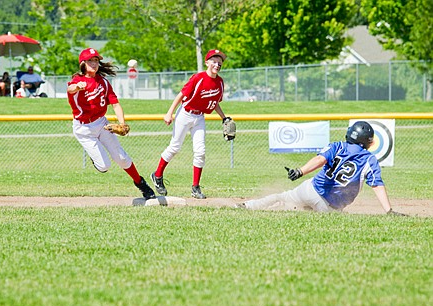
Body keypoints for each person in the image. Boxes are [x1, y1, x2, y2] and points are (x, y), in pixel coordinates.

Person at [238, 121, 405, 215]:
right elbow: (377, 185)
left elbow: (320, 159)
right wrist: (389, 210)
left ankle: (249, 206)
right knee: (320, 213)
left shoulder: (338, 146)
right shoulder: (369, 159)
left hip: (310, 189)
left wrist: (300, 171)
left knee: (282, 197)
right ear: (368, 142)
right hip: (329, 207)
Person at [67, 48, 155, 200]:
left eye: (96, 60)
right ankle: (96, 159)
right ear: (83, 63)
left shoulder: (104, 83)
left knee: (122, 158)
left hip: (102, 124)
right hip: (83, 129)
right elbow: (70, 88)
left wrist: (122, 123)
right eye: (90, 61)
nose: (94, 64)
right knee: (104, 166)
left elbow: (115, 104)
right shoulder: (77, 81)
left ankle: (140, 183)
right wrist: (77, 87)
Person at [150, 49, 232, 199]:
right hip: (185, 114)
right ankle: (157, 175)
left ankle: (195, 187)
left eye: (220, 62)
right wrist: (169, 113)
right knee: (175, 147)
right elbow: (181, 94)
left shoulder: (219, 82)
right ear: (207, 62)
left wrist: (223, 118)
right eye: (214, 60)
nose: (217, 64)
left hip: (199, 117)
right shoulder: (198, 78)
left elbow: (214, 103)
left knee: (200, 152)